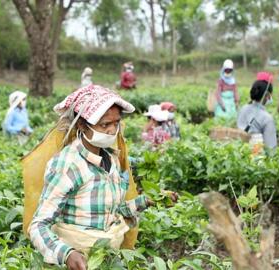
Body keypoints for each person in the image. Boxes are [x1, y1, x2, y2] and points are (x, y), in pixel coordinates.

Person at [28, 85, 176, 269]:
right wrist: (66, 253)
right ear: (82, 125)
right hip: (79, 262)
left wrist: (148, 200)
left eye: (116, 123)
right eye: (105, 124)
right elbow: (38, 225)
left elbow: (113, 211)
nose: (112, 131)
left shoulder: (111, 158)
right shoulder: (68, 165)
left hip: (108, 258)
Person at [237, 73, 277, 150]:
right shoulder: (267, 118)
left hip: (239, 151)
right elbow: (271, 147)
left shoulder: (243, 109)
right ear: (267, 95)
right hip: (256, 155)